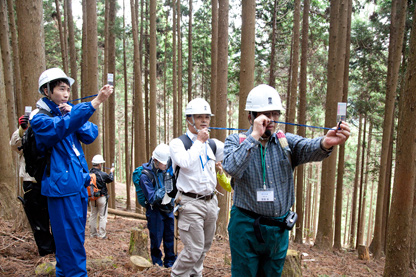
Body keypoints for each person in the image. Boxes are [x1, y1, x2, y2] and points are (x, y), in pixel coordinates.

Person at [222, 84, 351, 277]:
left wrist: (326, 142)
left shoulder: (285, 142)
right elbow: (231, 167)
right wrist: (254, 137)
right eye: (265, 115)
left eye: (275, 114)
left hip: (278, 230)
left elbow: (309, 147)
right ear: (251, 117)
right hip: (245, 228)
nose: (271, 120)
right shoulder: (237, 141)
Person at [30, 67, 113, 276]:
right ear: (47, 91)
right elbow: (58, 129)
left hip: (77, 188)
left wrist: (72, 111)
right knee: (70, 245)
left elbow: (90, 134)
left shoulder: (66, 114)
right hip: (61, 190)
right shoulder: (40, 118)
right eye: (61, 89)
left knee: (74, 242)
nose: (66, 93)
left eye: (68, 89)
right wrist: (94, 103)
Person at [169, 98, 224, 277]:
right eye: (199, 116)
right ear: (189, 119)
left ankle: (195, 274)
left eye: (207, 117)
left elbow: (233, 151)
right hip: (189, 202)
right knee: (193, 249)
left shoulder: (213, 144)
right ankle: (177, 275)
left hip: (210, 201)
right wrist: (199, 141)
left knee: (203, 248)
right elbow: (184, 162)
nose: (204, 121)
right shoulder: (178, 143)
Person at [10, 115, 55, 256]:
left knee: (56, 218)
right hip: (32, 182)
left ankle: (59, 251)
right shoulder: (27, 135)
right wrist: (23, 129)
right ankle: (46, 253)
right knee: (38, 221)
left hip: (53, 181)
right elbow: (15, 145)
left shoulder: (52, 131)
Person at [139, 143, 176, 267]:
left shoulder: (167, 169)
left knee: (170, 237)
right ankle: (157, 264)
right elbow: (151, 197)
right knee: (156, 239)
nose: (166, 166)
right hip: (155, 211)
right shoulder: (145, 176)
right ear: (155, 161)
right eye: (164, 163)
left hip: (168, 209)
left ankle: (170, 263)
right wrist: (166, 188)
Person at [89, 154, 114, 239]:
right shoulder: (102, 174)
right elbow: (110, 179)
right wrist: (111, 172)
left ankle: (93, 234)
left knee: (93, 214)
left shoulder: (89, 173)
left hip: (92, 198)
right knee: (103, 216)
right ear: (99, 164)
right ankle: (102, 234)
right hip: (101, 197)